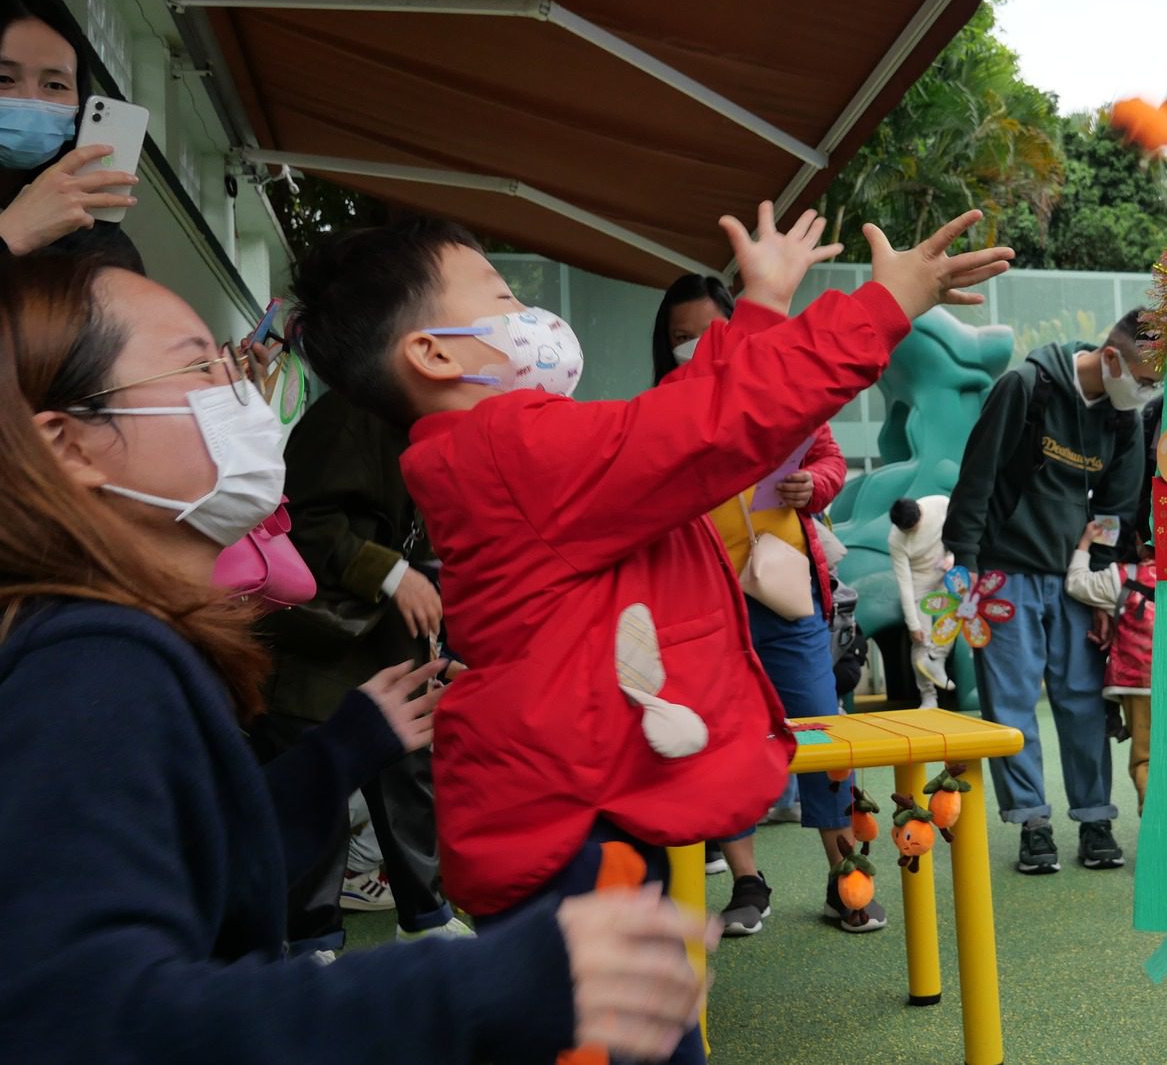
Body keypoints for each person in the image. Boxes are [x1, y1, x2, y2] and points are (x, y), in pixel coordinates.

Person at [287, 204, 1007, 1022]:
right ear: (432, 352)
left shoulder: (494, 450)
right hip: (572, 829)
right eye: (500, 301)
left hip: (581, 805)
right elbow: (709, 429)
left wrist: (763, 307)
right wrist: (883, 308)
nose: (530, 319)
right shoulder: (510, 451)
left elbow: (693, 412)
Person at [0, 253, 713, 1063]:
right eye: (197, 364)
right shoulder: (90, 672)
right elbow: (73, 1018)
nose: (238, 388)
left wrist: (343, 750)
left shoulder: (124, 652)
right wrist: (486, 984)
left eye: (231, 362)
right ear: (70, 447)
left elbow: (211, 862)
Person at [652, 271, 877, 937]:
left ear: (738, 328)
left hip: (785, 588)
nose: (692, 347)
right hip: (701, 603)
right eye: (678, 338)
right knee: (721, 736)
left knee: (821, 727)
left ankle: (847, 876)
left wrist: (818, 483)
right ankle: (746, 880)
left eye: (705, 333)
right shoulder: (661, 407)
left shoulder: (783, 389)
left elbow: (830, 456)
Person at [255, 388, 465, 960]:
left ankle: (425, 916)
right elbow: (302, 519)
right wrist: (393, 573)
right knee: (322, 774)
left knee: (409, 775)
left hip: (392, 635)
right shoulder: (350, 414)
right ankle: (311, 940)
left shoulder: (420, 421)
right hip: (325, 640)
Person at [943, 308, 1154, 874]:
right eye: (1146, 379)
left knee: (1083, 698)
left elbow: (1117, 508)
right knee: (1009, 703)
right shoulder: (1024, 387)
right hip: (1002, 570)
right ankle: (1032, 822)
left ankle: (1094, 819)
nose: (1148, 393)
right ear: (1112, 359)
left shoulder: (1123, 420)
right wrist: (962, 575)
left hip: (1072, 580)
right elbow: (976, 479)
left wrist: (1103, 588)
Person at [1065, 521, 1167, 861]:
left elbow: (1075, 583)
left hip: (1137, 683)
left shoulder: (1119, 575)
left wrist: (1085, 542)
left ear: (1138, 539)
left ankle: (1161, 834)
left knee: (1148, 759)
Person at [0, 0, 143, 260]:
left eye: (55, 85)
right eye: (3, 79)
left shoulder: (97, 246)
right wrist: (11, 233)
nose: (32, 100)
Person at [890, 494, 954, 708]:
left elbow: (959, 533)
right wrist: (913, 624)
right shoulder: (896, 539)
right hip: (919, 580)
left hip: (945, 571)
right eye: (906, 531)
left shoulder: (940, 505)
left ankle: (938, 658)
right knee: (919, 638)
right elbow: (904, 583)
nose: (911, 533)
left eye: (913, 528)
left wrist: (951, 558)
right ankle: (928, 696)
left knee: (958, 612)